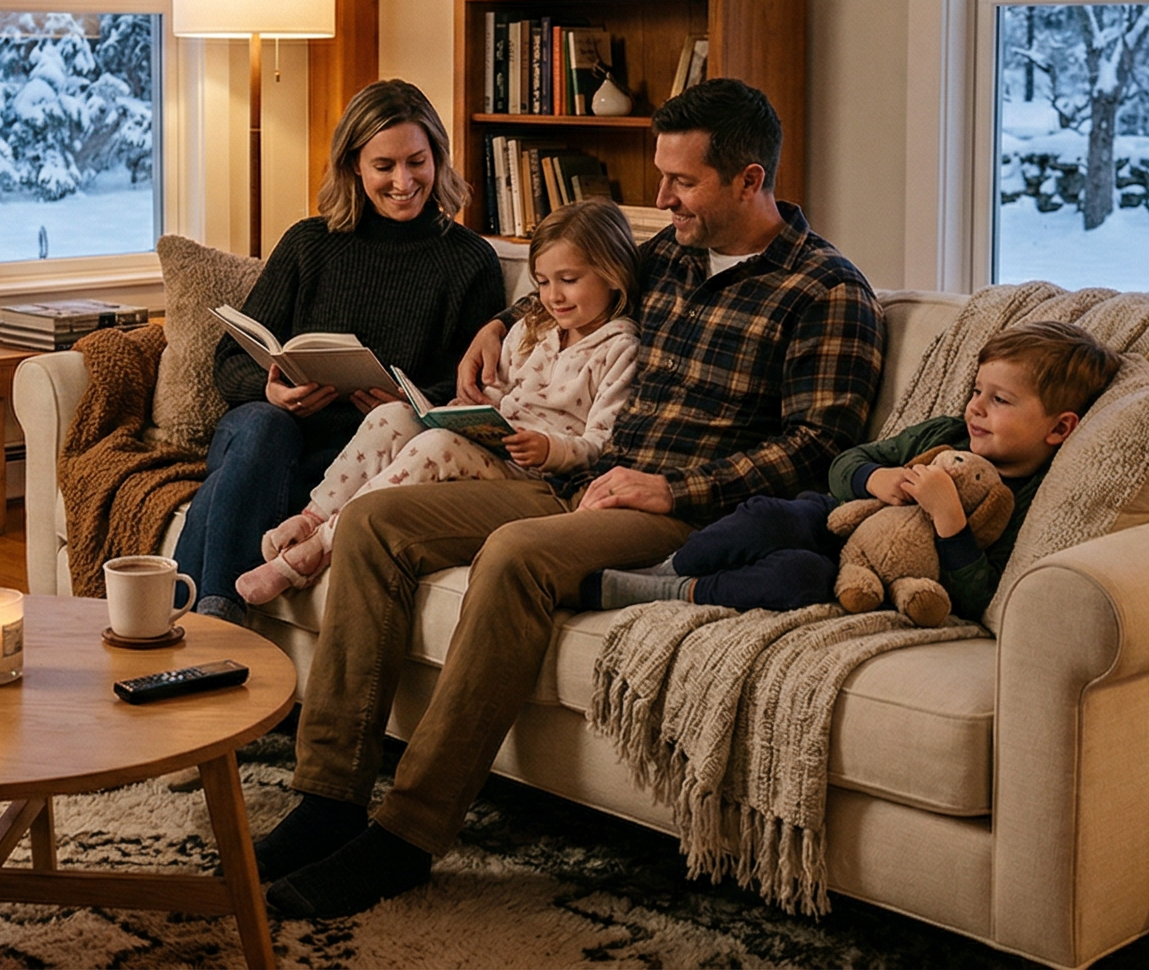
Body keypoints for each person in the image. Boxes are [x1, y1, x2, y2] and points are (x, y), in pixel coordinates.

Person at [254, 78, 884, 919]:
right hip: (571, 479)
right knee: (372, 521)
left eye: (681, 183)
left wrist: (672, 486)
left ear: (750, 179)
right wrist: (497, 323)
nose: (661, 199)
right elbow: (569, 285)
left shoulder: (827, 292)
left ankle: (406, 832)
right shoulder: (670, 255)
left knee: (514, 556)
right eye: (661, 178)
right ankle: (331, 795)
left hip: (684, 510)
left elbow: (819, 451)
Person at [172, 79, 509, 625]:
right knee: (263, 426)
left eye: (417, 162)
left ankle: (196, 618)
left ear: (437, 159)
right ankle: (215, 627)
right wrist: (272, 390)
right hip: (265, 442)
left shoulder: (469, 260)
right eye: (384, 166)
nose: (404, 182)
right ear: (354, 166)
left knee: (226, 488)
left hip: (359, 460)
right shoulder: (310, 244)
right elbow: (229, 361)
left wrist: (403, 401)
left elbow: (471, 388)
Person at [236, 198, 640, 606]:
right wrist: (464, 410)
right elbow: (496, 393)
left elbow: (602, 443)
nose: (553, 296)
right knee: (391, 415)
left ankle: (320, 547)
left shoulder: (619, 348)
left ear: (612, 275)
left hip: (535, 477)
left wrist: (550, 450)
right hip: (491, 447)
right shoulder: (530, 329)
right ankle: (313, 517)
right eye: (543, 282)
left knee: (437, 447)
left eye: (568, 280)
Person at [585, 321, 1117, 620]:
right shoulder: (944, 433)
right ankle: (671, 568)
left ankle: (672, 593)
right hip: (839, 519)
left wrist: (950, 520)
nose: (976, 407)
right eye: (977, 390)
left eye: (1000, 400)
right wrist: (875, 480)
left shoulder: (1028, 499)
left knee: (798, 576)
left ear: (1059, 428)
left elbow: (980, 595)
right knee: (772, 516)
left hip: (867, 576)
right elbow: (848, 462)